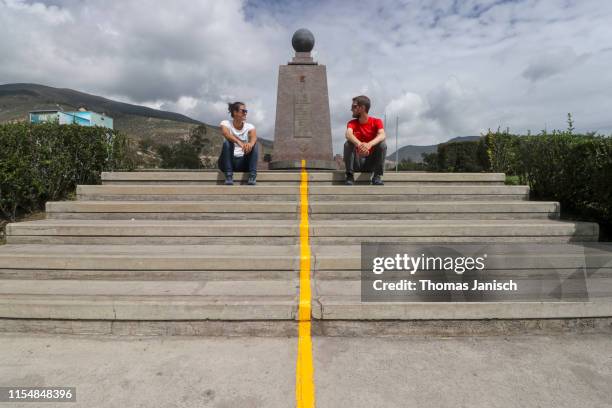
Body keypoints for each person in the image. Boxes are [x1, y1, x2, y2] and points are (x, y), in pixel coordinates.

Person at [343, 95, 387, 185]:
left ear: (362, 108)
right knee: (348, 144)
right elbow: (348, 134)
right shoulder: (352, 123)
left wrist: (369, 145)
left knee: (382, 145)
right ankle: (350, 176)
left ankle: (377, 176)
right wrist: (360, 145)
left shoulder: (376, 121)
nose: (351, 109)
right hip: (357, 163)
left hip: (370, 163)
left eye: (354, 107)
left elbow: (382, 135)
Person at [218, 101, 258, 185]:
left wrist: (250, 144)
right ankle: (228, 176)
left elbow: (253, 138)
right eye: (243, 111)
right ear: (235, 112)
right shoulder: (225, 123)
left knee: (255, 145)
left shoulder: (250, 126)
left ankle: (252, 176)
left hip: (242, 162)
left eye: (246, 111)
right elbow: (226, 134)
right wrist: (239, 142)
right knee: (227, 142)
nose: (245, 113)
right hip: (227, 162)